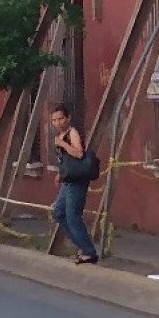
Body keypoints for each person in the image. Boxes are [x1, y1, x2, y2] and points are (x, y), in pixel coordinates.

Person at [51, 104, 98, 264]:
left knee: (72, 216)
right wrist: (59, 174)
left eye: (61, 119)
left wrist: (62, 143)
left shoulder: (72, 133)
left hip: (77, 181)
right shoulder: (61, 135)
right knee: (58, 213)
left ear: (68, 118)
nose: (58, 123)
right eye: (54, 120)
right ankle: (82, 246)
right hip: (68, 180)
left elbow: (78, 153)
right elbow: (65, 160)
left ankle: (89, 252)